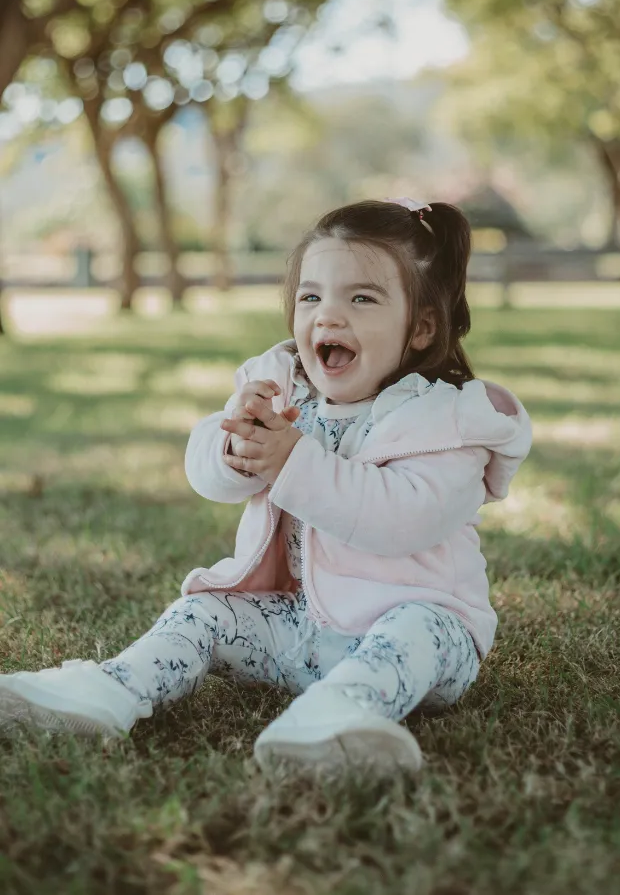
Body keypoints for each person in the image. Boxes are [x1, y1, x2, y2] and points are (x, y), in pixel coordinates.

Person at [0, 197, 532, 773]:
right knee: (202, 612)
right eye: (311, 296)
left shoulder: (447, 422)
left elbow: (401, 519)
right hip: (296, 626)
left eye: (362, 298)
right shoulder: (282, 388)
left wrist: (292, 463)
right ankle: (111, 689)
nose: (328, 316)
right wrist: (235, 448)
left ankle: (339, 716)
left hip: (417, 635)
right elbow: (207, 475)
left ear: (422, 327)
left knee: (416, 629)